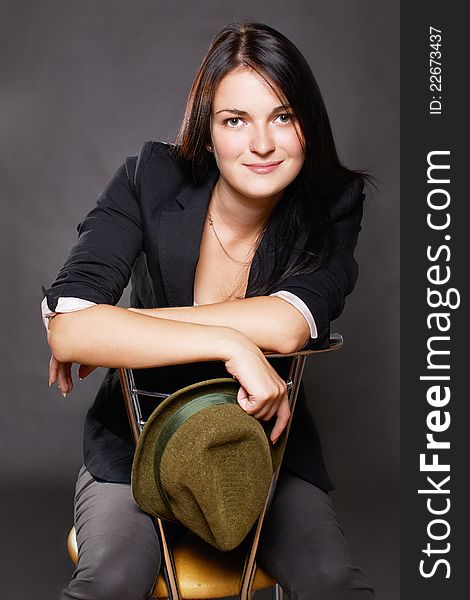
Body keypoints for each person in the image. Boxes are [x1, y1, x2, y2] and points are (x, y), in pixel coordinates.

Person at [42, 21, 374, 600]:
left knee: (333, 583)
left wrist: (111, 332)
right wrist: (229, 343)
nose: (262, 144)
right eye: (235, 121)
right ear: (208, 129)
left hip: (264, 450)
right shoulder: (148, 178)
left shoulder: (334, 204)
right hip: (137, 442)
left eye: (283, 117)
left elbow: (286, 324)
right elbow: (71, 322)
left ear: (308, 126)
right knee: (112, 581)